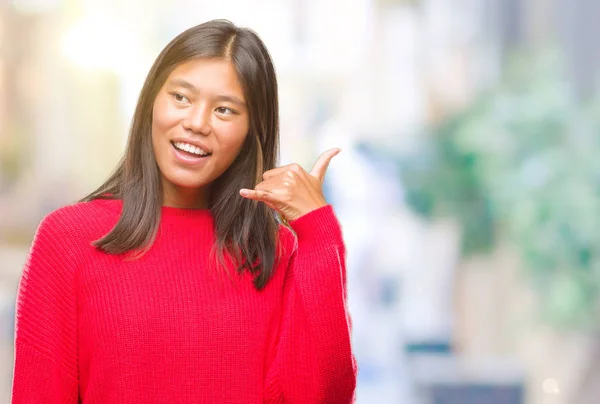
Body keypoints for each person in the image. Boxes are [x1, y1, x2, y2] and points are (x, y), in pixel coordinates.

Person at [11, 19, 356, 403]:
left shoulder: (276, 250)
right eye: (181, 97)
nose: (196, 123)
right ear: (150, 102)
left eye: (224, 110)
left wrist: (318, 231)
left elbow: (324, 395)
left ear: (251, 131)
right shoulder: (69, 239)